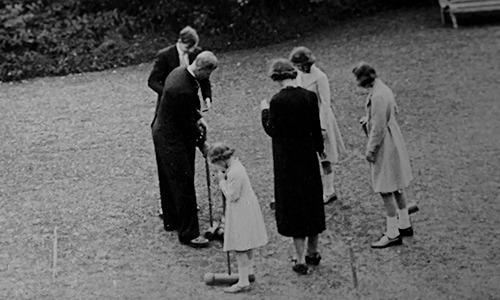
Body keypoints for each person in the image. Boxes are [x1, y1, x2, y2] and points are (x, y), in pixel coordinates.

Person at [261, 59, 326, 275]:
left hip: (287, 160)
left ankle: (299, 258)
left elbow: (272, 129)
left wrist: (264, 112)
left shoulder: (277, 101)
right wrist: (320, 149)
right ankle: (313, 251)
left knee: (294, 205)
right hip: (308, 156)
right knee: (312, 201)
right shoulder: (309, 96)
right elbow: (316, 128)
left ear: (275, 78)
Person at [152, 51, 218, 248]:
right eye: (209, 73)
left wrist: (199, 117)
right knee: (183, 181)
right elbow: (187, 125)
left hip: (164, 131)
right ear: (200, 68)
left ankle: (172, 220)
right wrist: (203, 144)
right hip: (172, 137)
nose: (209, 78)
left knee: (169, 177)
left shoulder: (180, 72)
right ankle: (189, 234)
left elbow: (189, 112)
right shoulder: (182, 89)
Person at [148, 26, 212, 218]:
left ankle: (186, 203)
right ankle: (169, 206)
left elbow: (204, 78)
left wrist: (207, 97)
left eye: (193, 48)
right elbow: (152, 81)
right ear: (180, 41)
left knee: (186, 156)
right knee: (169, 161)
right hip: (168, 109)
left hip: (187, 105)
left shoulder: (197, 56)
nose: (190, 51)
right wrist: (169, 93)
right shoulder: (164, 55)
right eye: (188, 47)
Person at [352, 62, 414, 249]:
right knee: (397, 184)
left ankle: (392, 232)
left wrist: (371, 150)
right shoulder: (384, 88)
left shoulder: (377, 95)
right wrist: (370, 119)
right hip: (394, 139)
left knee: (385, 188)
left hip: (385, 144)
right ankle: (405, 223)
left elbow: (378, 128)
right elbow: (391, 112)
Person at [208, 143, 268, 293]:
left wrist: (222, 181)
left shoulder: (235, 172)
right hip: (245, 207)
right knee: (246, 242)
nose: (217, 168)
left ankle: (243, 281)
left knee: (240, 246)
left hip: (241, 209)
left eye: (216, 164)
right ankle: (248, 271)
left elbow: (232, 196)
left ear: (221, 159)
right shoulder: (236, 166)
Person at [290, 46, 346, 204]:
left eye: (299, 64)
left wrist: (322, 127)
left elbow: (325, 103)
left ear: (306, 63)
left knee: (324, 156)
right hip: (305, 120)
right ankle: (313, 189)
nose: (297, 68)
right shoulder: (300, 75)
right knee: (308, 157)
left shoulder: (320, 77)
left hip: (321, 120)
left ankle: (329, 191)